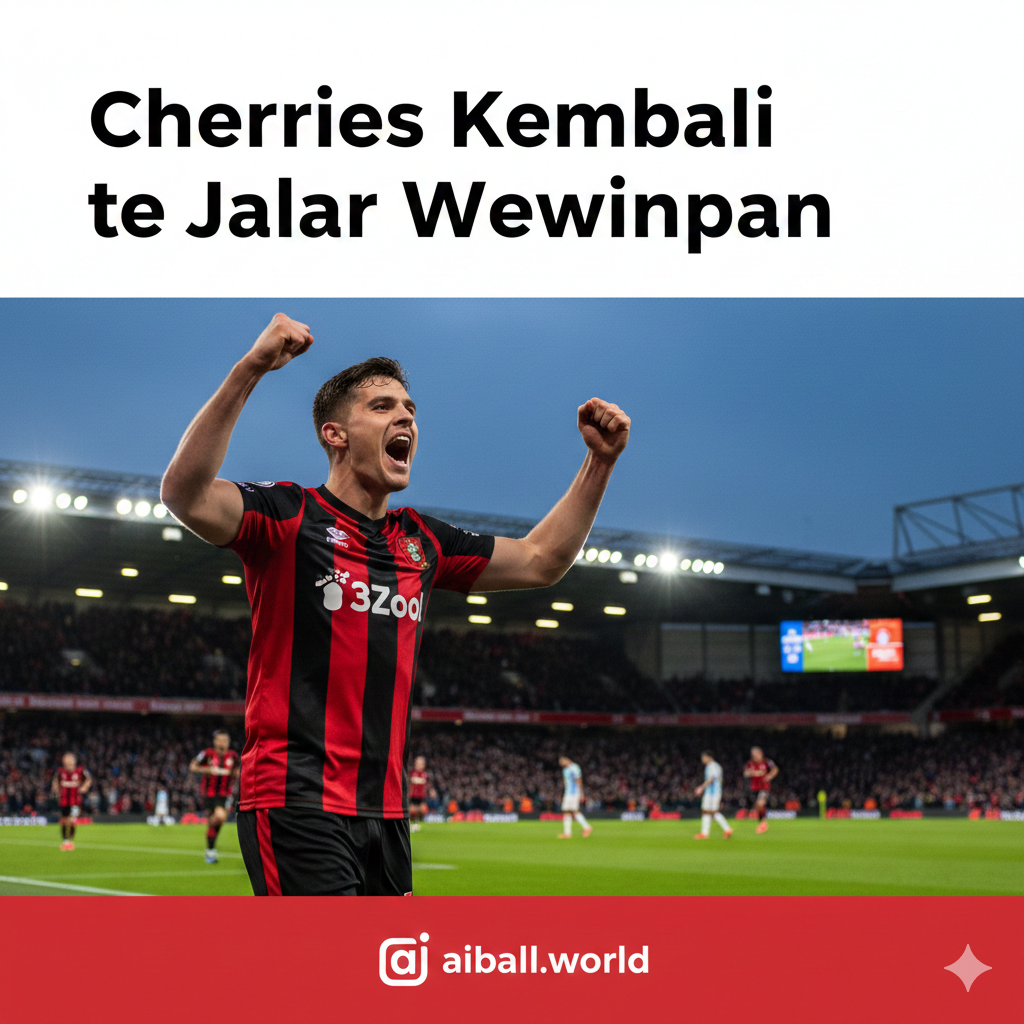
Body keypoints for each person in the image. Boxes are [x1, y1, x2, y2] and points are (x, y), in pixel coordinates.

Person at [160, 313, 630, 895]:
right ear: (334, 434)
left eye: (409, 408)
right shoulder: (288, 517)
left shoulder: (422, 541)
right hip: (295, 800)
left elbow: (542, 559)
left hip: (385, 816)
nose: (405, 416)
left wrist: (600, 462)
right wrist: (252, 368)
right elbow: (185, 493)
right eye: (382, 406)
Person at [190, 730, 240, 863]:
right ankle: (210, 851)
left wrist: (235, 774)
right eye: (220, 740)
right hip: (209, 795)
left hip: (226, 794)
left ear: (228, 742)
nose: (223, 742)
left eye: (225, 740)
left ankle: (210, 851)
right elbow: (193, 766)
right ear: (215, 741)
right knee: (219, 818)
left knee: (218, 820)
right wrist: (207, 770)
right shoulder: (207, 754)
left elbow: (237, 771)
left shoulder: (233, 756)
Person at [51, 752, 91, 851]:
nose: (68, 763)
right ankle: (65, 841)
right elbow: (55, 781)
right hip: (64, 800)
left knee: (72, 820)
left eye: (70, 760)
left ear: (74, 761)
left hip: (75, 801)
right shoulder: (60, 772)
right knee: (64, 820)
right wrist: (55, 790)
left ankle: (70, 841)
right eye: (66, 760)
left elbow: (88, 779)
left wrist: (84, 787)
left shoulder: (80, 771)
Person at [693, 751, 732, 840]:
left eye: (703, 757)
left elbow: (711, 778)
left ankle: (727, 829)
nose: (702, 760)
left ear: (709, 757)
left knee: (713, 812)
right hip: (712, 792)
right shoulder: (714, 766)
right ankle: (705, 833)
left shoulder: (712, 766)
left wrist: (701, 787)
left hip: (713, 793)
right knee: (707, 811)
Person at [744, 745, 779, 834]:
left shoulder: (767, 762)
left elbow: (775, 769)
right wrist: (752, 773)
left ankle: (763, 823)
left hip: (764, 787)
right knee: (757, 806)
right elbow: (745, 773)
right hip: (754, 788)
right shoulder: (750, 763)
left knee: (760, 803)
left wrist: (770, 776)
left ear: (760, 753)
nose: (753, 756)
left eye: (755, 754)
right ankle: (762, 823)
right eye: (752, 754)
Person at [557, 756, 592, 838]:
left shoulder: (574, 768)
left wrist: (581, 793)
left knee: (573, 811)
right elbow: (566, 782)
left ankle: (586, 827)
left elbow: (579, 780)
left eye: (562, 762)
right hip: (568, 793)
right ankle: (568, 833)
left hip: (574, 792)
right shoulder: (565, 770)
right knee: (567, 811)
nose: (562, 764)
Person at [409, 756, 429, 832]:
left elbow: (425, 782)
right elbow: (412, 780)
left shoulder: (424, 774)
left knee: (422, 810)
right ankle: (410, 823)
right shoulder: (413, 773)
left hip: (421, 796)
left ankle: (416, 823)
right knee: (412, 811)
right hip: (413, 796)